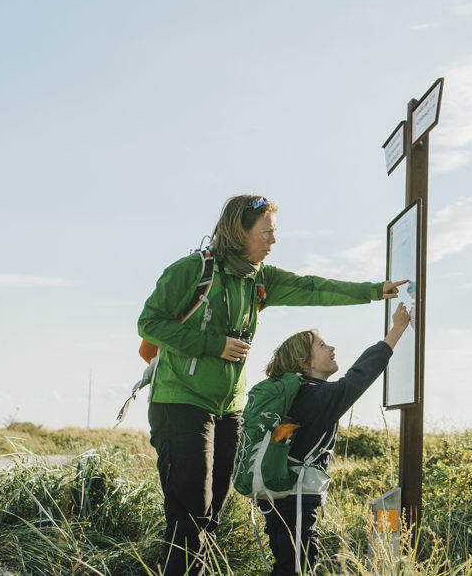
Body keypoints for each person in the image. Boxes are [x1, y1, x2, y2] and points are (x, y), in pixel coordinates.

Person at [138, 194, 406, 576]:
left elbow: (313, 287)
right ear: (238, 231)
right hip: (180, 402)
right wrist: (214, 345)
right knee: (190, 516)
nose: (273, 241)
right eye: (266, 232)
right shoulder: (192, 271)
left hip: (227, 409)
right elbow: (149, 324)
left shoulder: (261, 281)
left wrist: (372, 290)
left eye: (273, 233)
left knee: (211, 514)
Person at [257, 302, 411, 575]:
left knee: (287, 564)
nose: (331, 348)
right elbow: (358, 377)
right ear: (304, 363)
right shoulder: (316, 397)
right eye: (322, 345)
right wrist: (395, 332)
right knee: (297, 567)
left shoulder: (297, 395)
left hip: (277, 493)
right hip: (295, 497)